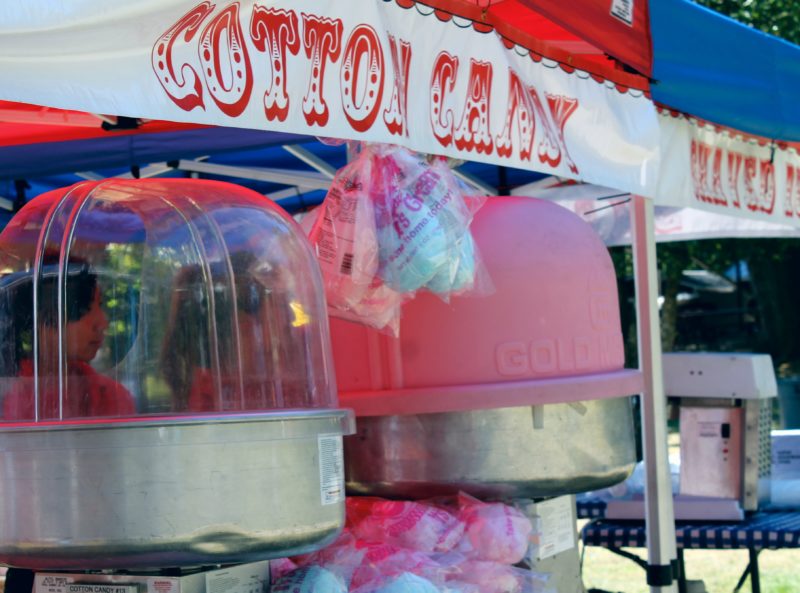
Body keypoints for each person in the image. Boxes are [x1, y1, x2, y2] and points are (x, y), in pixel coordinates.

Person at [1, 256, 136, 421]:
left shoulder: (110, 395)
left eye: (100, 305)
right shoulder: (9, 391)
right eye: (84, 308)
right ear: (45, 318)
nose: (103, 322)